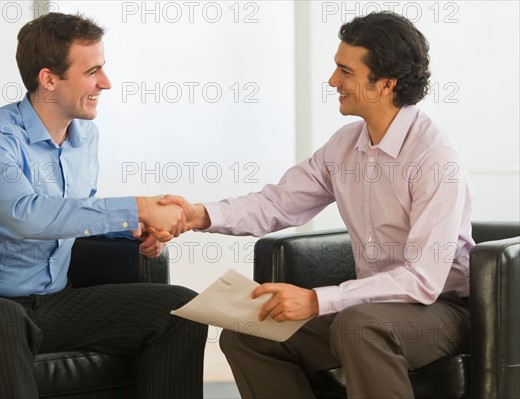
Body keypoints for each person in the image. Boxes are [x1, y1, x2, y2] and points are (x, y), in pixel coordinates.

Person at [160, 11, 473, 398]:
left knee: (358, 326)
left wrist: (315, 299)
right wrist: (200, 215)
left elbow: (422, 280)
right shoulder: (344, 145)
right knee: (250, 335)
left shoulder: (433, 156)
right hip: (368, 307)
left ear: (385, 84)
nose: (332, 81)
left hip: (441, 311)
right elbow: (278, 203)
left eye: (346, 71)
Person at [0, 12, 207, 399]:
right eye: (93, 72)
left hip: (55, 301)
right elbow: (28, 215)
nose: (106, 82)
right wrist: (136, 207)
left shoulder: (85, 136)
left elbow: (76, 211)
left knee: (181, 310)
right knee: (3, 322)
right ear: (49, 79)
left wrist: (135, 231)